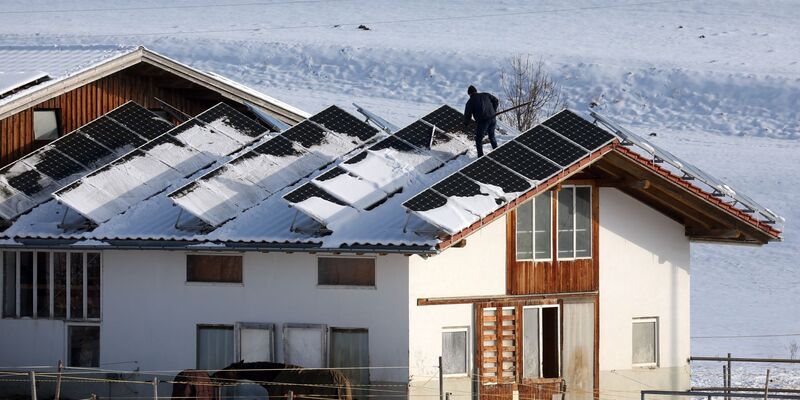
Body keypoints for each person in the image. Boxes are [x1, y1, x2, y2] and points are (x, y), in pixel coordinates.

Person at [463, 85, 499, 157]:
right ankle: (497, 151)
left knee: (478, 139)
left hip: (483, 121)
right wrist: (493, 111)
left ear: (469, 94)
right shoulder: (485, 94)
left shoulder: (470, 101)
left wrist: (466, 123)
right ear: (476, 91)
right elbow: (496, 100)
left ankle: (480, 156)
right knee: (492, 136)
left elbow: (467, 114)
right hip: (492, 118)